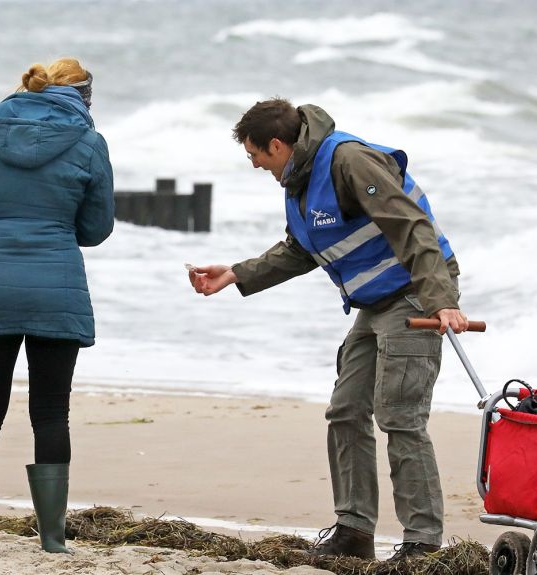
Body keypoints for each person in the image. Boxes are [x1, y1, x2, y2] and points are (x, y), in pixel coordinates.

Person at [188, 98, 468, 562]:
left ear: (277, 144)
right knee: (345, 409)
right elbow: (302, 250)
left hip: (415, 294)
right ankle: (355, 533)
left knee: (399, 416)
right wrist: (237, 273)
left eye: (255, 154)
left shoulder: (349, 160)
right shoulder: (298, 177)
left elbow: (412, 226)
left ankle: (423, 545)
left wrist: (442, 301)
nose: (255, 164)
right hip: (374, 302)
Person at [0, 58, 114, 553]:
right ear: (83, 95)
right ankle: (54, 541)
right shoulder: (88, 142)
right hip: (56, 284)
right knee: (52, 411)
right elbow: (96, 229)